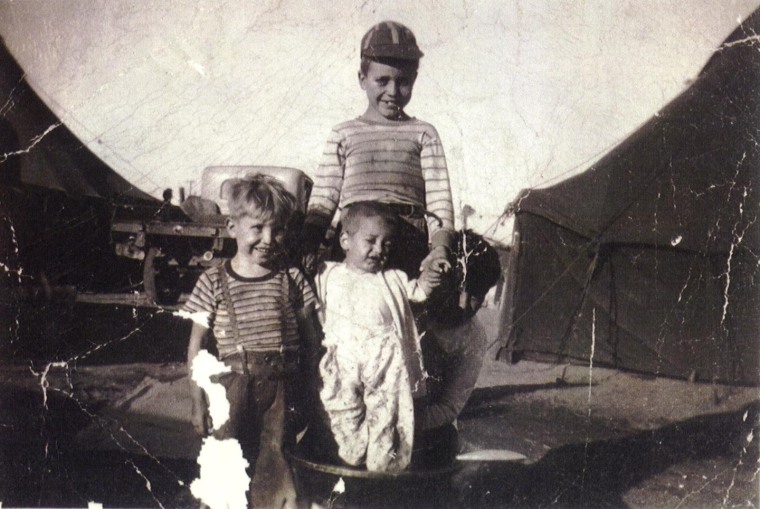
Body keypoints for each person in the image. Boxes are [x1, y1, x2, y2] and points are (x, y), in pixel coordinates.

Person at [184, 175, 319, 508]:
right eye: (258, 228)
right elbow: (196, 349)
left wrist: (313, 387)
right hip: (233, 387)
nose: (269, 239)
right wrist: (197, 400)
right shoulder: (212, 280)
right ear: (233, 227)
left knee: (275, 464)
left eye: (278, 229)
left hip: (281, 388)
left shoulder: (292, 278)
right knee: (225, 467)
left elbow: (313, 341)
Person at [301, 20, 455, 280]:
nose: (393, 91)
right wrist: (307, 243)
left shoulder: (424, 133)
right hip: (356, 244)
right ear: (362, 79)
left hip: (407, 245)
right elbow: (324, 198)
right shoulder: (344, 133)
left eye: (403, 82)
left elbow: (440, 203)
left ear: (414, 79)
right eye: (382, 80)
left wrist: (439, 249)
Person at [313, 202, 442, 472]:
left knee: (387, 413)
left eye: (386, 244)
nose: (379, 250)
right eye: (370, 241)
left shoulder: (392, 278)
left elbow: (418, 291)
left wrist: (430, 276)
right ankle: (352, 453)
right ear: (345, 240)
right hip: (343, 358)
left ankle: (380, 467)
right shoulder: (327, 274)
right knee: (342, 409)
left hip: (384, 359)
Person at [412, 230, 502, 467]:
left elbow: (450, 405)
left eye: (475, 295)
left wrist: (408, 421)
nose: (463, 303)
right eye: (456, 289)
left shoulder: (472, 337)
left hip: (428, 433)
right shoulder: (409, 310)